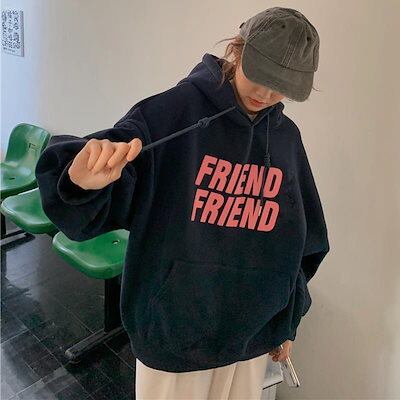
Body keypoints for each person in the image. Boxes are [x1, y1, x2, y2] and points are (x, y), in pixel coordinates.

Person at [35, 6, 330, 400]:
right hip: (173, 334)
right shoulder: (172, 112)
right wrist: (80, 179)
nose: (265, 94)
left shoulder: (285, 138)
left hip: (253, 337)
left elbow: (302, 240)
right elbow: (104, 171)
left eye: (281, 87)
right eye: (259, 75)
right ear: (237, 49)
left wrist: (286, 321)